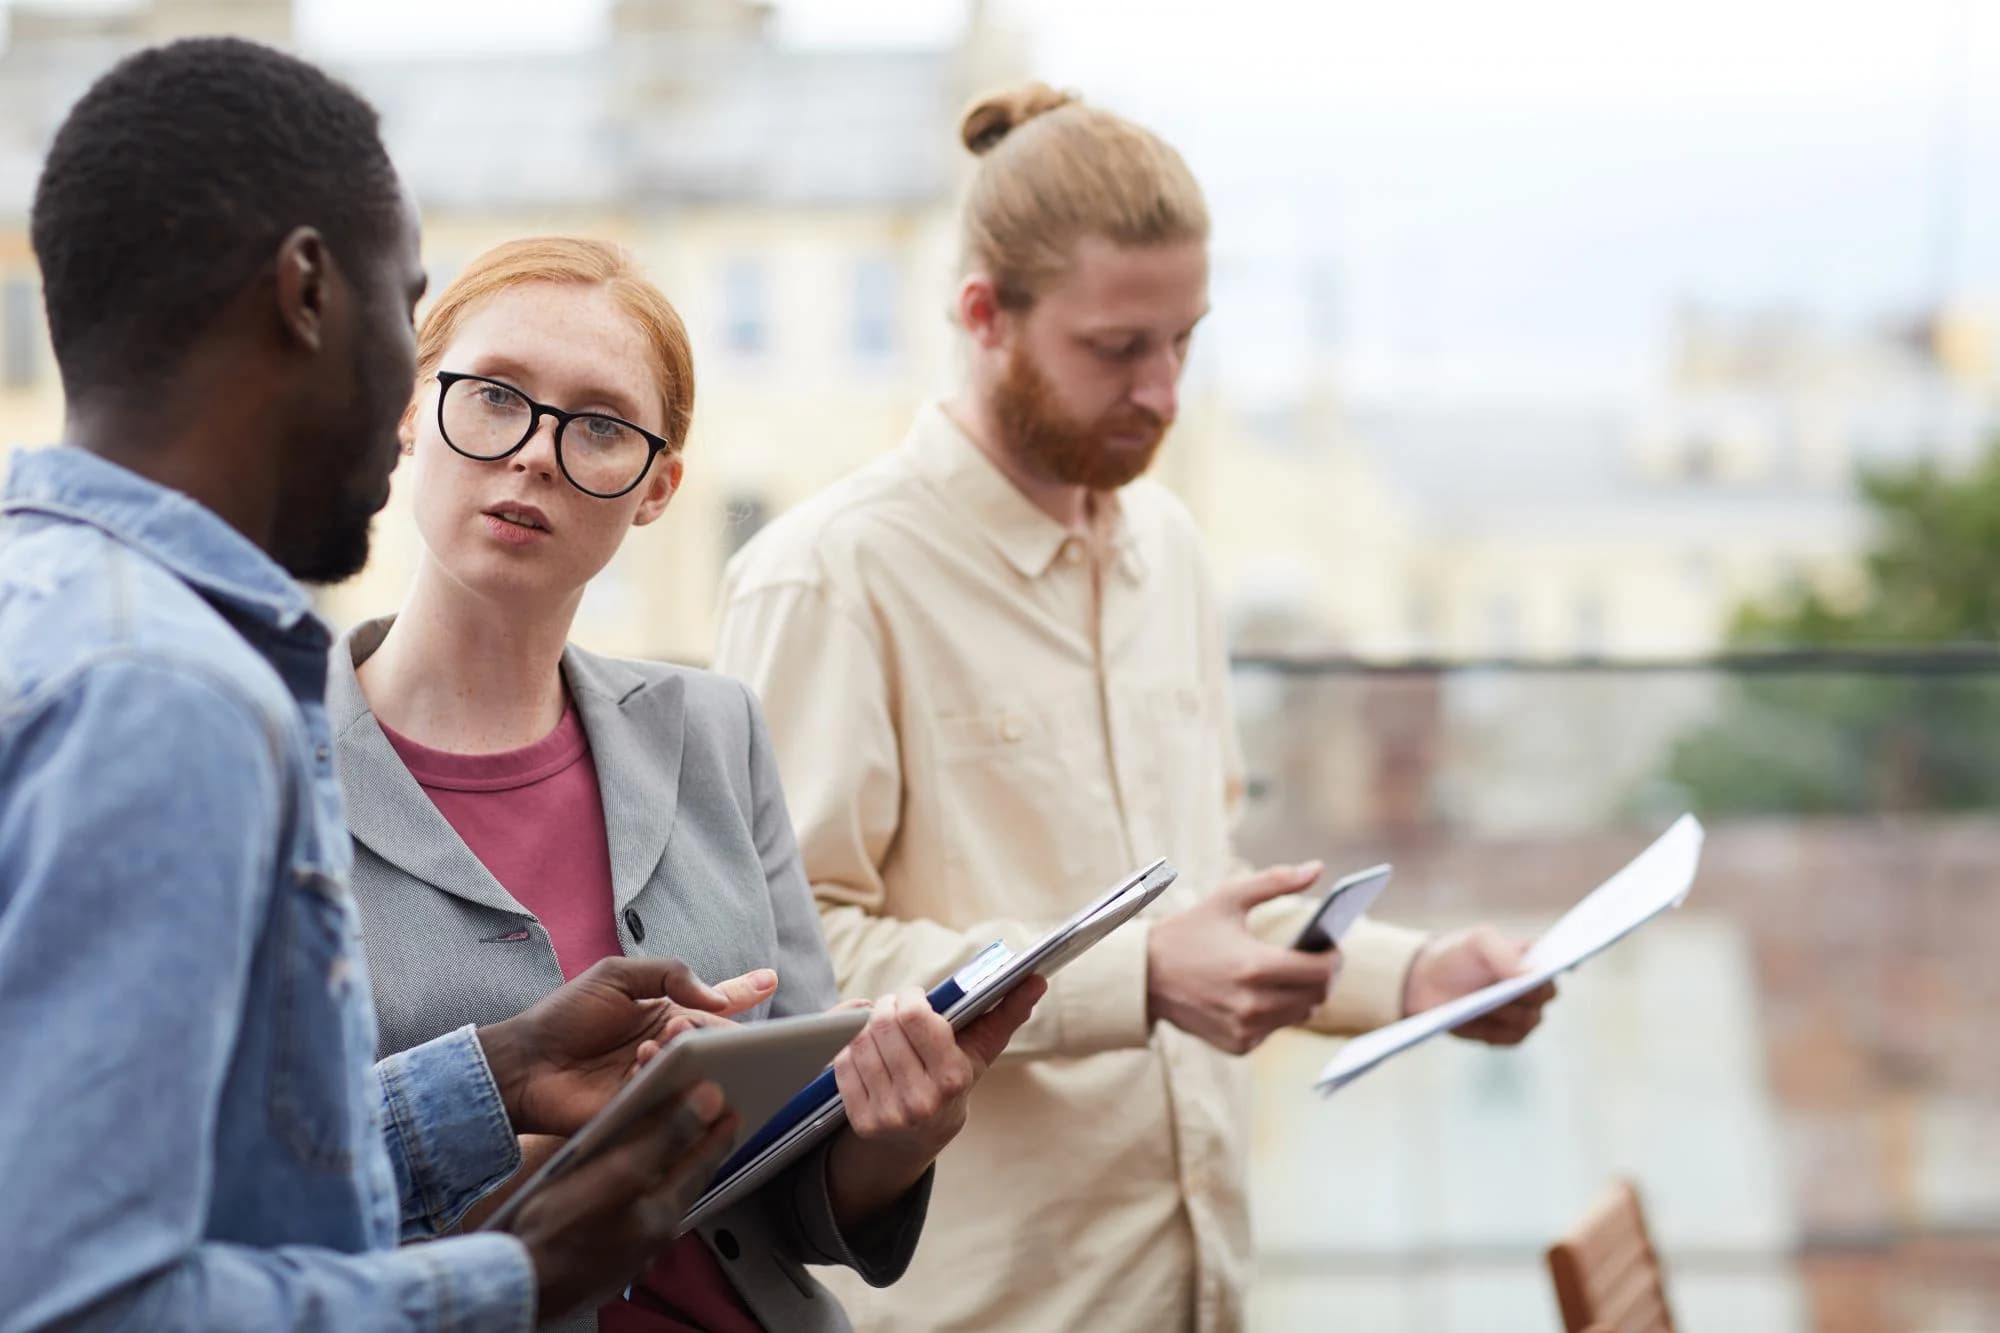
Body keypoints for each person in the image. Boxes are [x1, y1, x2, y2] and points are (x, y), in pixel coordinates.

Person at [712, 83, 1558, 1331]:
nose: (1163, 391)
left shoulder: (1169, 547)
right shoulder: (827, 576)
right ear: (982, 315)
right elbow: (785, 973)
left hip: (1194, 1287)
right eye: (1118, 348)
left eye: (1184, 340)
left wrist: (1417, 975)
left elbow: (1200, 900)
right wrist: (1139, 977)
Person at [0, 40, 759, 1332]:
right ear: (305, 291)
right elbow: (81, 1298)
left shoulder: (64, 609)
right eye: (410, 315)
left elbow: (216, 1178)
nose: (422, 397)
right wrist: (518, 1277)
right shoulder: (160, 695)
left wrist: (500, 1072)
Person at [331, 235, 1042, 1333]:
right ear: (408, 411)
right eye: (494, 397)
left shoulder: (712, 729)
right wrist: (510, 1103)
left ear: (657, 487)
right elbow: (214, 1170)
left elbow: (794, 1191)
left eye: (601, 426)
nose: (532, 454)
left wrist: (896, 1133)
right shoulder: (265, 761)